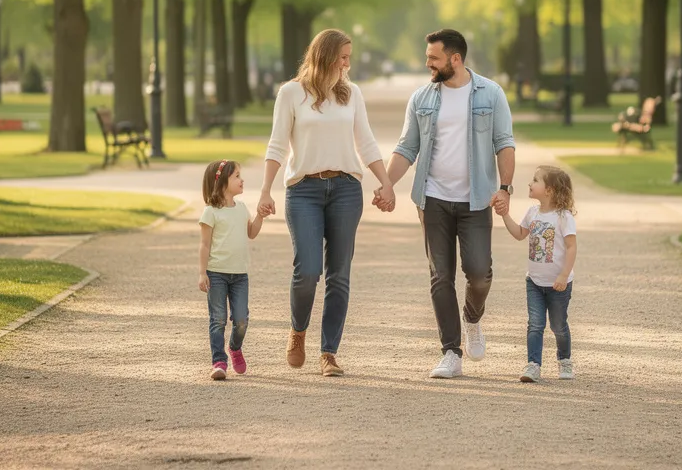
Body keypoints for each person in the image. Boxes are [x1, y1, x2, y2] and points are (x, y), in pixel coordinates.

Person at [259, 29, 395, 377]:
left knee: (339, 274)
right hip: (304, 189)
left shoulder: (352, 94)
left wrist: (386, 182)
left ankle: (329, 353)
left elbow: (365, 142)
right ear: (325, 56)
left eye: (349, 57)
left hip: (346, 189)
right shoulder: (291, 93)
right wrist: (265, 190)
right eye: (343, 57)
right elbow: (277, 145)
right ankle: (298, 330)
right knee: (307, 271)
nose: (347, 64)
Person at [386, 28, 516, 379]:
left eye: (433, 57)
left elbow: (504, 143)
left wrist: (505, 188)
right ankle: (450, 351)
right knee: (440, 276)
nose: (427, 63)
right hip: (433, 199)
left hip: (476, 199)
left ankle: (472, 318)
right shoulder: (422, 98)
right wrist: (386, 184)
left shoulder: (490, 93)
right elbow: (406, 147)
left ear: (455, 59)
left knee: (478, 272)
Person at [497, 166, 578, 383]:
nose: (530, 184)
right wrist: (505, 215)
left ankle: (564, 360)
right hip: (534, 281)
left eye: (535, 180)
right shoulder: (532, 213)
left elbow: (571, 247)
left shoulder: (563, 217)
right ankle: (533, 365)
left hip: (559, 284)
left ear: (549, 190)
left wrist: (563, 275)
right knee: (535, 323)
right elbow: (519, 234)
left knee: (558, 326)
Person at [199, 159, 268, 380]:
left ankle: (235, 347)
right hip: (216, 273)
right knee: (217, 318)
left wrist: (260, 216)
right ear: (221, 182)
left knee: (241, 319)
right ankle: (219, 361)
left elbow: (252, 233)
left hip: (240, 275)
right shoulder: (211, 212)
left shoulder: (242, 208)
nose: (242, 179)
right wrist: (202, 273)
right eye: (237, 176)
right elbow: (205, 245)